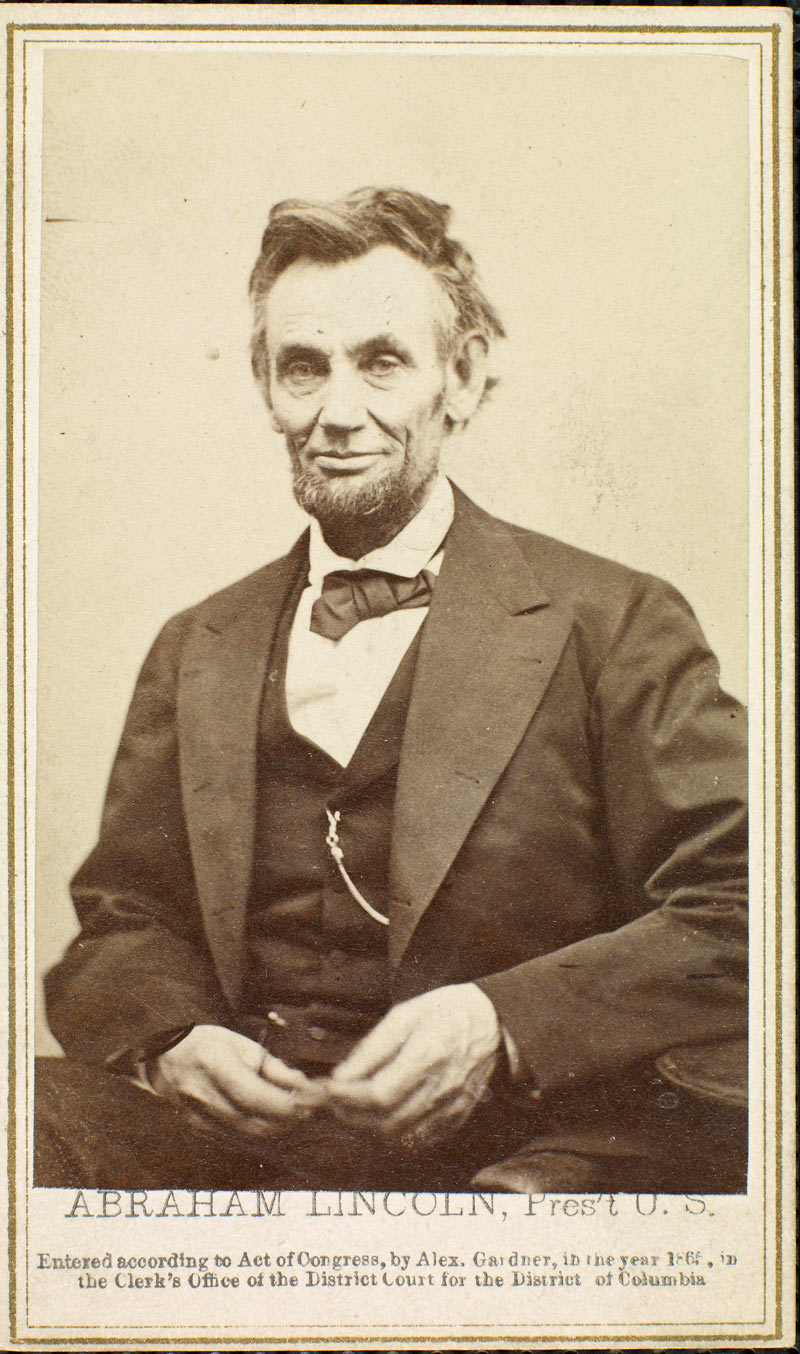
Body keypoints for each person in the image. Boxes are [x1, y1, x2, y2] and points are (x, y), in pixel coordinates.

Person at [36, 188, 748, 1193]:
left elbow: (745, 903)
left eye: (380, 362)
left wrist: (502, 1021)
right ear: (262, 384)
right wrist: (169, 1038)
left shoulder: (614, 623)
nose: (337, 413)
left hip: (521, 1139)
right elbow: (122, 913)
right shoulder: (198, 643)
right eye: (303, 367)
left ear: (459, 380)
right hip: (243, 1148)